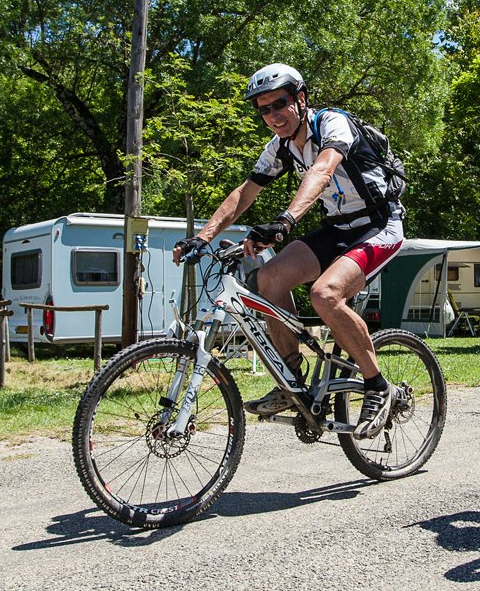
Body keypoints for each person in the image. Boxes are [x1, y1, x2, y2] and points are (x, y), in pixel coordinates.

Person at [171, 64, 405, 439]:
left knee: (324, 295)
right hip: (338, 228)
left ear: (300, 99)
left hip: (379, 225)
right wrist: (204, 237)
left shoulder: (332, 124)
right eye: (263, 109)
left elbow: (323, 169)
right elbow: (244, 193)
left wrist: (285, 220)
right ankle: (291, 379)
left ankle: (378, 385)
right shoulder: (279, 146)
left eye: (279, 104)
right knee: (269, 278)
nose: (272, 116)